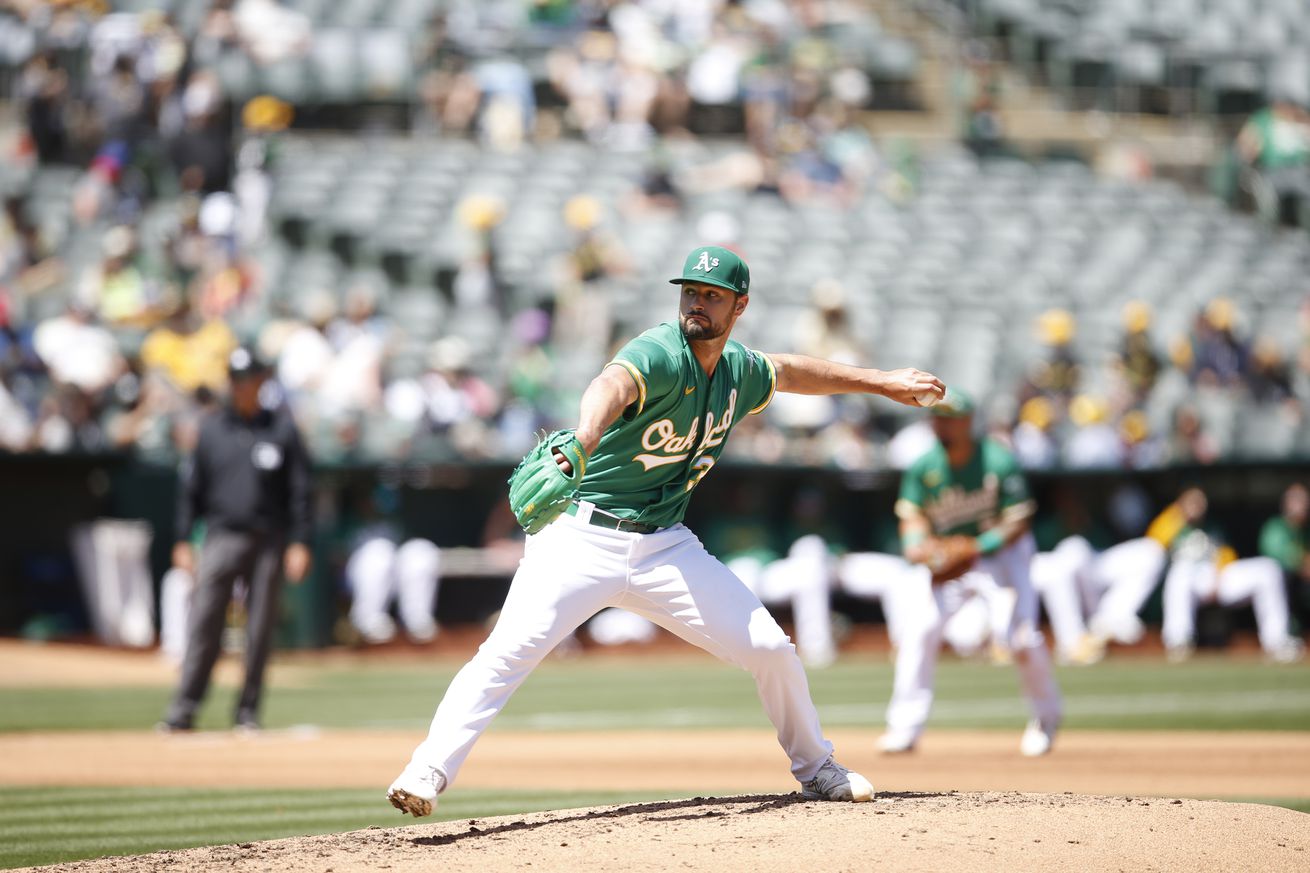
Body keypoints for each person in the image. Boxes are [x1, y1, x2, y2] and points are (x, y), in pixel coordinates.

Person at [385, 245, 945, 816]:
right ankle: (427, 769)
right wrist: (584, 436)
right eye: (690, 292)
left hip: (664, 545)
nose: (697, 304)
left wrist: (881, 382)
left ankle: (817, 768)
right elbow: (612, 385)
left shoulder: (738, 372)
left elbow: (793, 371)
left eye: (712, 295)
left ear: (739, 305)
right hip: (581, 538)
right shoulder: (659, 351)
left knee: (772, 648)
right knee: (505, 655)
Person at [878, 389, 1063, 757]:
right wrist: (919, 547)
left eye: (949, 418)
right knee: (920, 630)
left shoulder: (997, 460)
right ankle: (904, 727)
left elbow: (1018, 521)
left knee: (1020, 638)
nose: (942, 426)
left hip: (1004, 556)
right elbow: (913, 519)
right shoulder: (924, 467)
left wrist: (977, 547)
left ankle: (1046, 718)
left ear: (967, 421)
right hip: (953, 559)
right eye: (937, 418)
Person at [159, 347, 313, 732]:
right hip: (222, 534)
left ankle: (248, 711)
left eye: (250, 379)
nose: (243, 386)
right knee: (204, 622)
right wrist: (182, 539)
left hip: (270, 538)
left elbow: (301, 491)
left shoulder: (281, 428)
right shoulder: (211, 429)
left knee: (259, 630)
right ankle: (185, 708)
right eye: (237, 379)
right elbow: (190, 490)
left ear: (261, 382)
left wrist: (300, 541)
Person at [1158, 488, 1304, 663]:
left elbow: (1227, 553)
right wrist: (1177, 515)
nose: (1196, 507)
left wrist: (1218, 576)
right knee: (1179, 573)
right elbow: (1155, 538)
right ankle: (1178, 641)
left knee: (1268, 569)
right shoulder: (1172, 523)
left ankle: (1277, 641)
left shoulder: (1211, 525)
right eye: (1191, 502)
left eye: (1199, 503)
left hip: (1218, 576)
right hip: (1189, 579)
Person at [1259, 483, 1309, 635]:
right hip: (1282, 584)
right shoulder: (1275, 527)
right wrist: (1302, 562)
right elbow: (1277, 555)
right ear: (1285, 503)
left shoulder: (1305, 531)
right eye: (1296, 500)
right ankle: (1284, 634)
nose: (1301, 505)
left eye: (1304, 501)